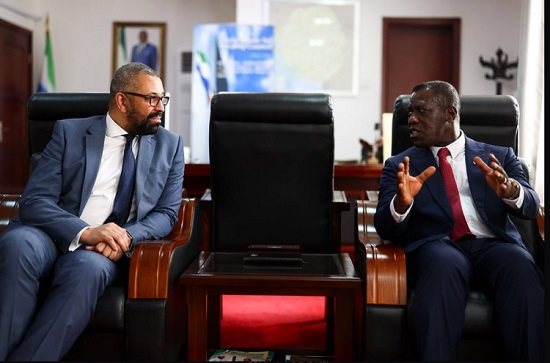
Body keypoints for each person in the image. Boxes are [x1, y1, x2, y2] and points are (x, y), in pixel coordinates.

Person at [0, 62, 184, 360]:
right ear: (122, 100)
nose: (160, 107)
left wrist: (124, 235)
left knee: (88, 269)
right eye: (151, 99)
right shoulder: (69, 132)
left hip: (104, 250)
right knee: (18, 245)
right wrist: (84, 231)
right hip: (50, 235)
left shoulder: (170, 145)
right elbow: (35, 200)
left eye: (162, 98)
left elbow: (166, 213)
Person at [374, 80, 543, 361]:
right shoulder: (399, 165)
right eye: (410, 114)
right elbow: (384, 226)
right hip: (437, 246)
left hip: (493, 245)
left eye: (421, 111)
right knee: (445, 264)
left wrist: (510, 191)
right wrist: (401, 204)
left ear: (450, 114)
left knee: (519, 264)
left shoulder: (499, 156)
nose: (411, 120)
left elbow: (531, 206)